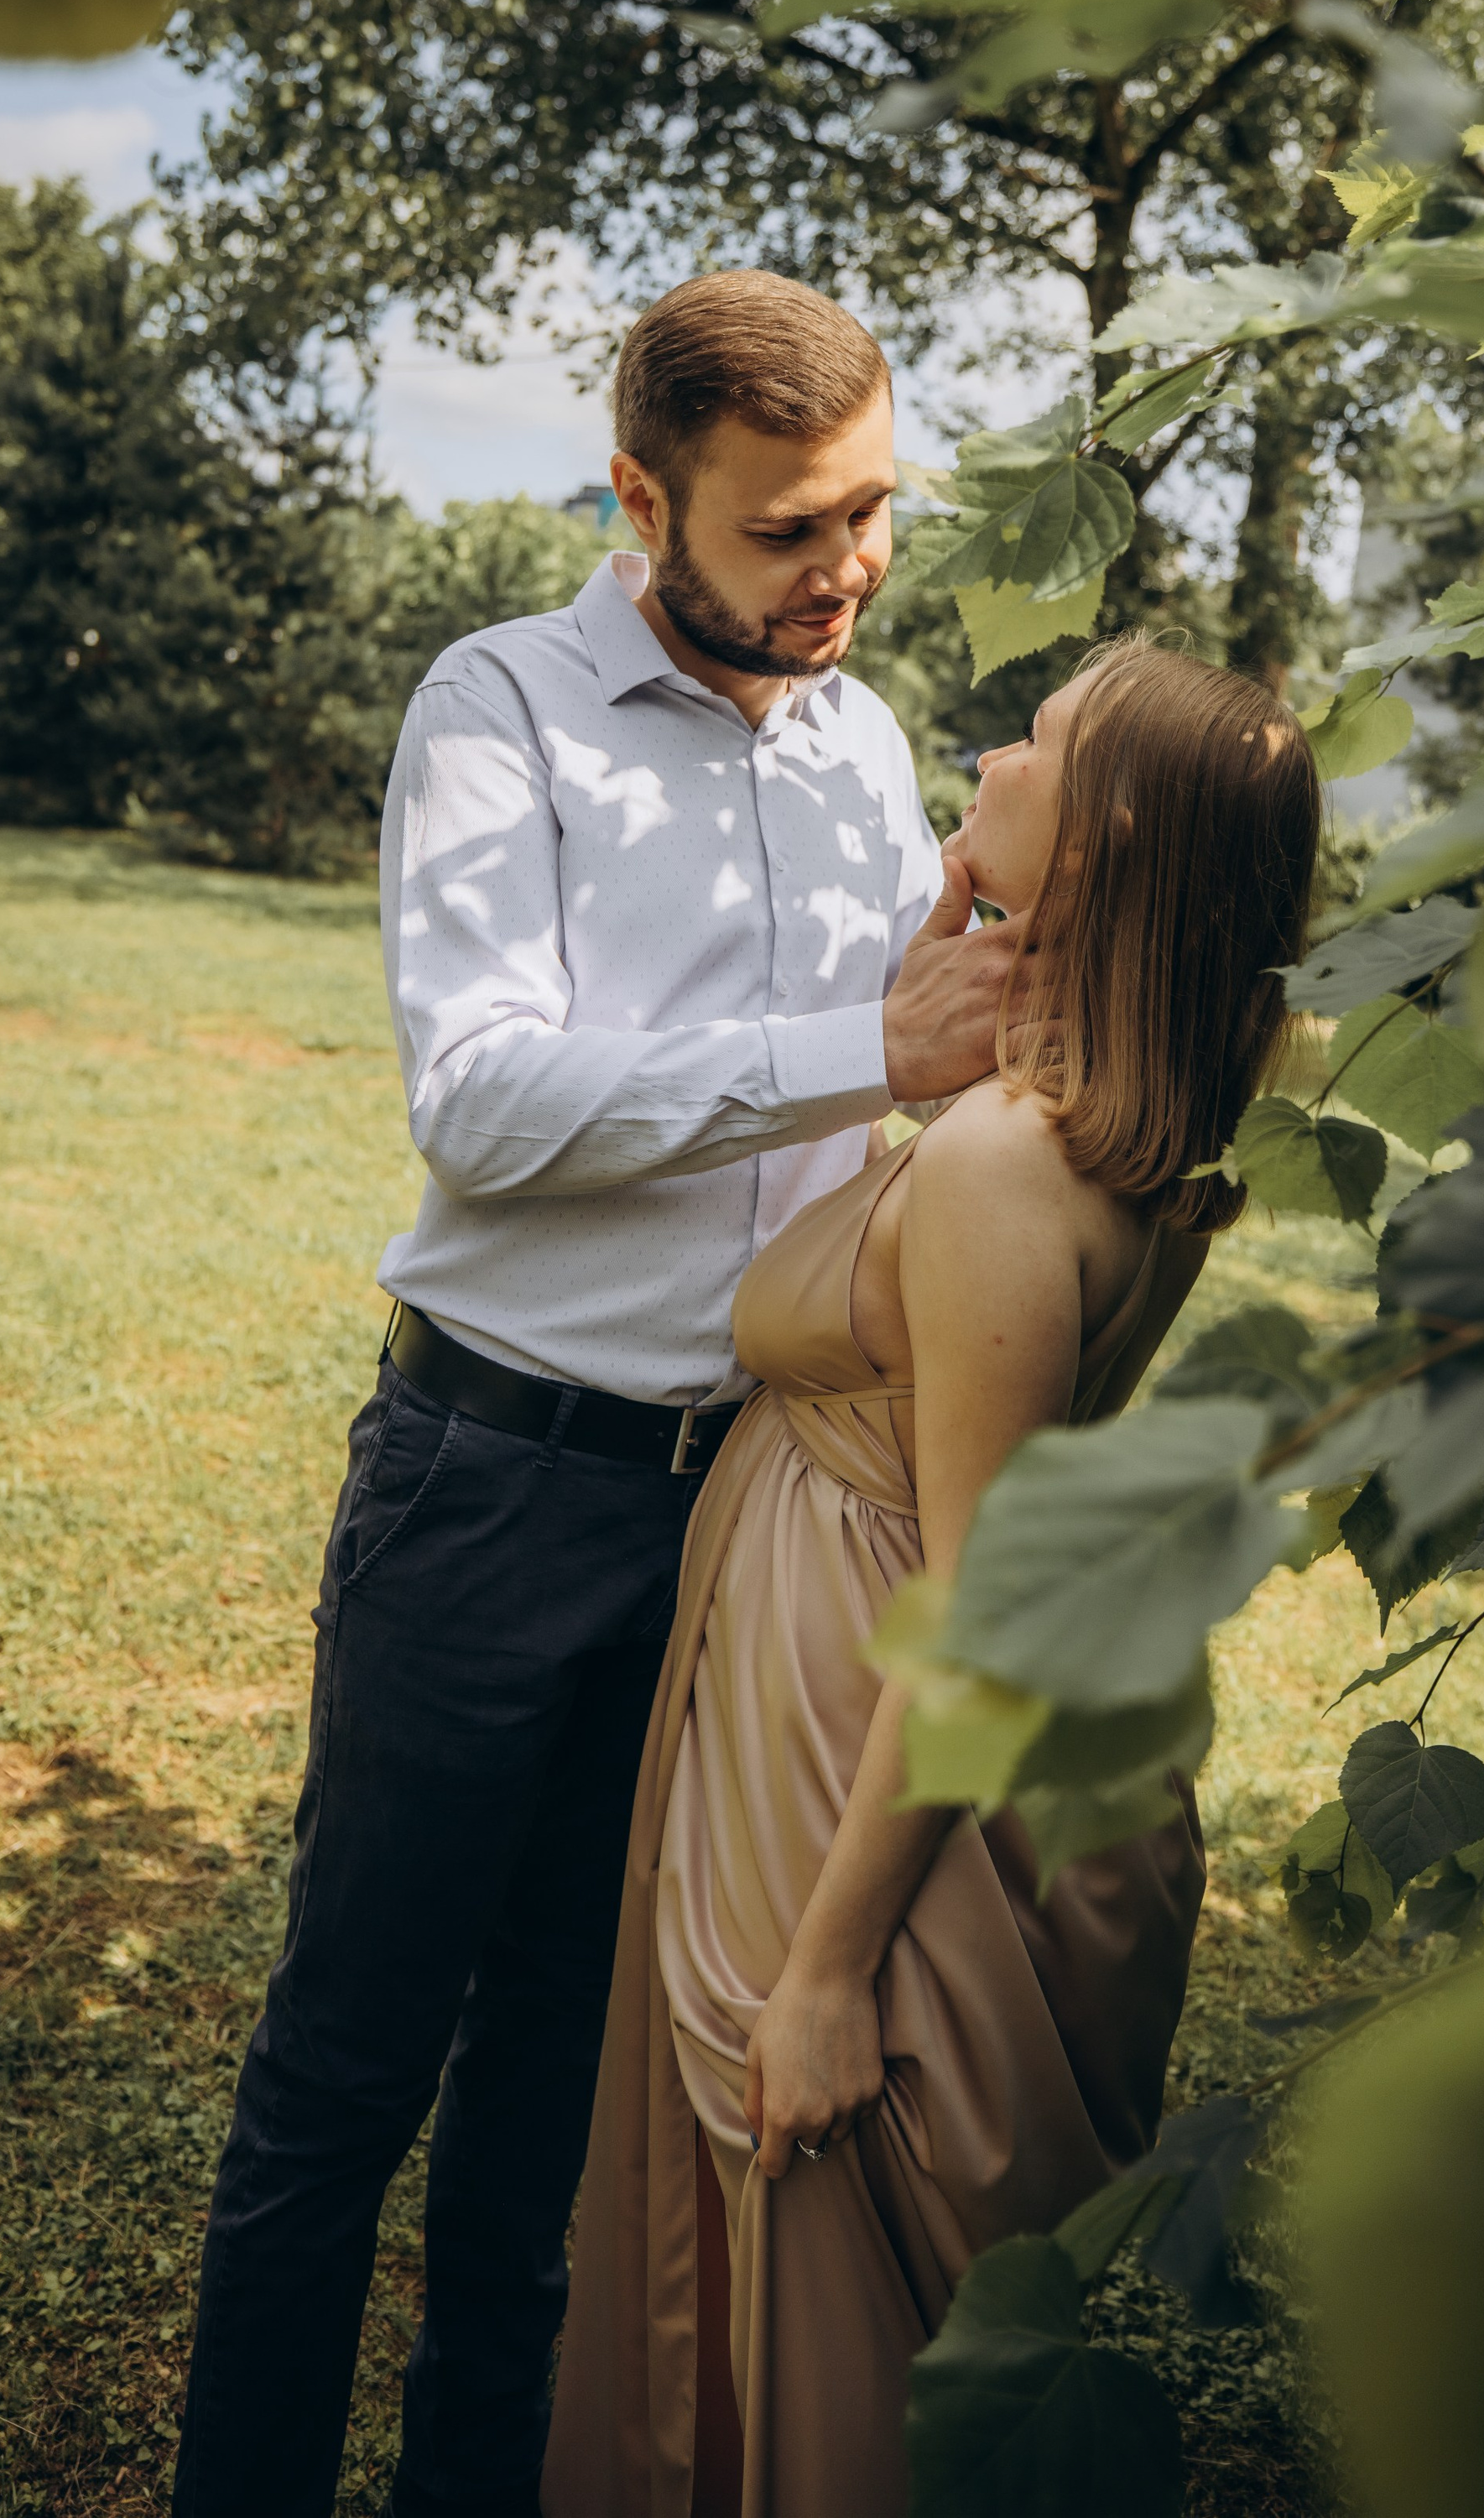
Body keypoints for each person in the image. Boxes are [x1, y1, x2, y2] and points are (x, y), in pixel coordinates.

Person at [170, 272, 1027, 2518]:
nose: (844, 569)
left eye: (871, 517)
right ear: (641, 495)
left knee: (561, 2089)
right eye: (784, 529)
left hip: (738, 1518)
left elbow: (887, 1125)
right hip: (487, 1483)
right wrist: (881, 1047)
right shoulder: (502, 707)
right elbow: (487, 1102)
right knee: (346, 2074)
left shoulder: (865, 742)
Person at [543, 636, 1322, 2518]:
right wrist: (970, 913)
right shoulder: (1113, 1123)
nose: (984, 745)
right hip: (857, 1690)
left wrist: (824, 1966)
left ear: (1113, 827)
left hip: (863, 1744)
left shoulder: (1000, 1166)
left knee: (796, 2283)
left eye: (1033, 740)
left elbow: (976, 1608)